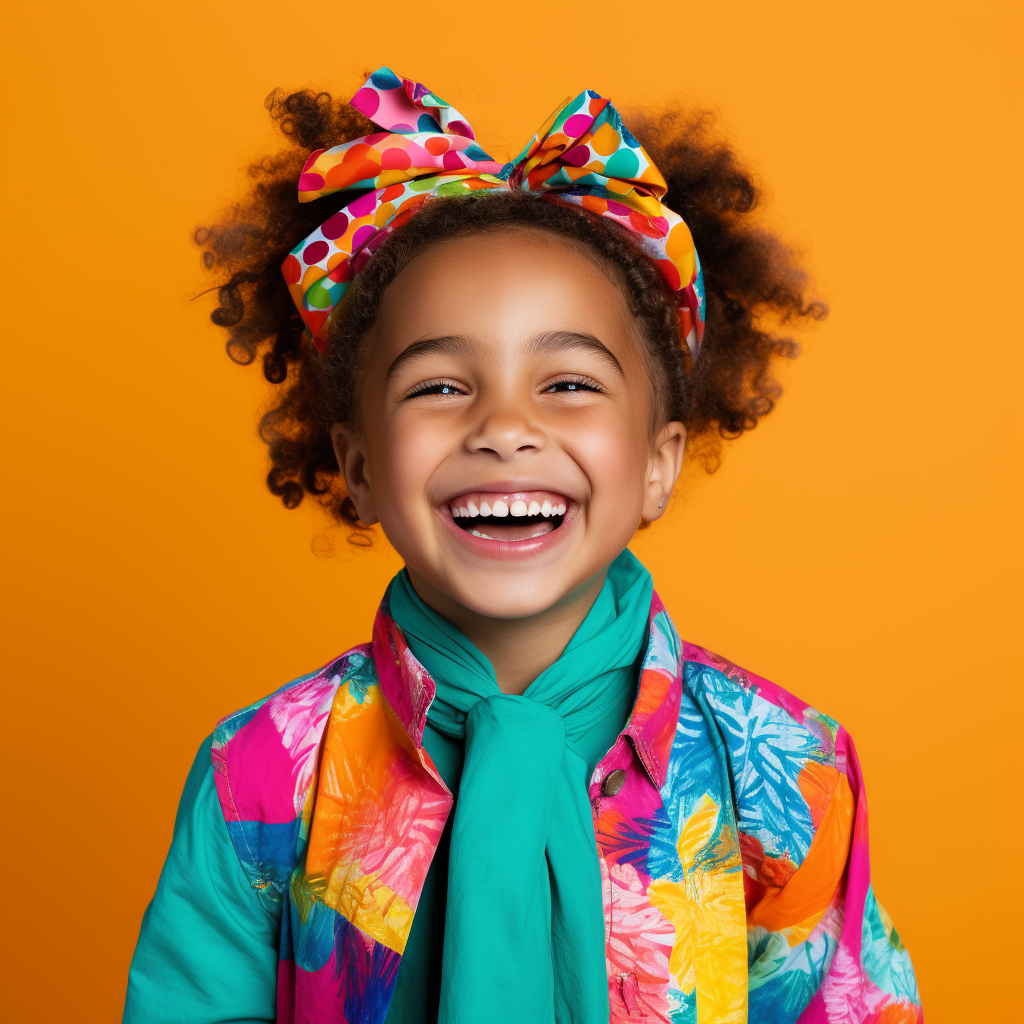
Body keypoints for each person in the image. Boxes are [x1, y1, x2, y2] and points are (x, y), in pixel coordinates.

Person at [123, 67, 922, 1024]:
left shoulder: (789, 772)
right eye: (439, 387)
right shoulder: (259, 776)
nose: (505, 426)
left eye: (570, 384)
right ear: (362, 466)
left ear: (660, 464)